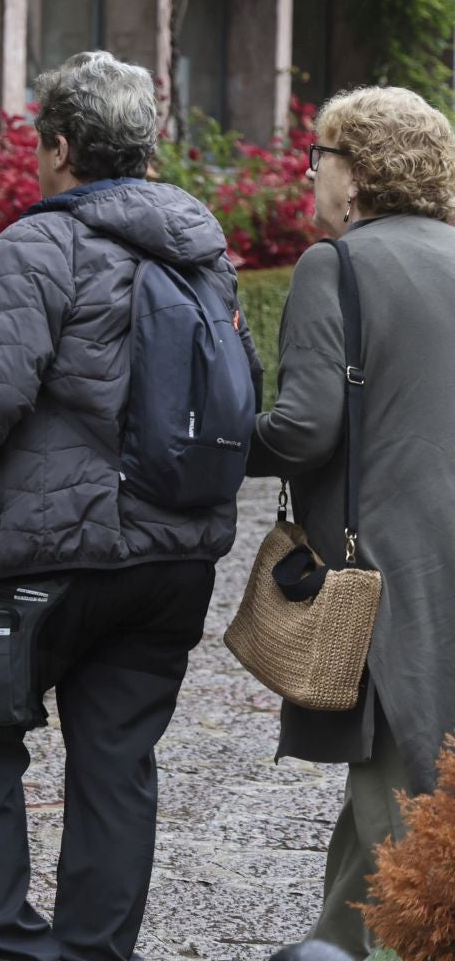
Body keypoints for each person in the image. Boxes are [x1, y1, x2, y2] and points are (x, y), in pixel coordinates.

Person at [0, 51, 259, 961]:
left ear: (56, 147)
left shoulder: (37, 245)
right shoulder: (205, 254)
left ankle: (7, 948)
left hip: (33, 563)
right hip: (169, 563)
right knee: (118, 765)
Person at [246, 85, 455, 958]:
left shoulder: (336, 264)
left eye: (321, 157)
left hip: (383, 571)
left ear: (357, 172)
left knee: (399, 799)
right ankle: (333, 944)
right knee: (407, 784)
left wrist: (219, 440)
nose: (313, 174)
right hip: (443, 557)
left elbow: (304, 427)